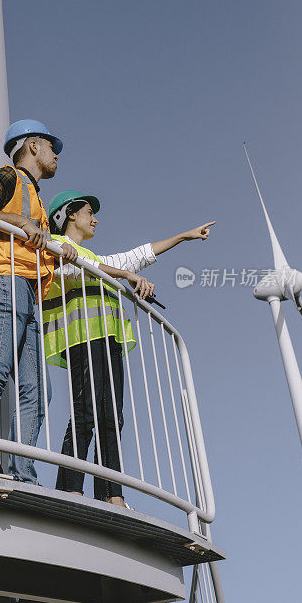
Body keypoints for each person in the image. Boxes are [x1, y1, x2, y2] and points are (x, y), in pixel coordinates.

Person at [43, 190, 215, 507]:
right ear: (70, 215)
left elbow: (141, 254)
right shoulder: (57, 250)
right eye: (88, 212)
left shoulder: (97, 260)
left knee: (112, 417)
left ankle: (112, 494)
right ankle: (70, 489)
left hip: (108, 342)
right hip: (81, 339)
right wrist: (125, 275)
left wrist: (184, 236)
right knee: (86, 413)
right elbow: (75, 267)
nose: (94, 218)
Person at [0, 121, 77, 482]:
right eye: (50, 146)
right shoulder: (7, 176)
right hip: (1, 279)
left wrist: (58, 253)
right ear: (31, 146)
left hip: (27, 290)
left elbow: (36, 241)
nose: (56, 154)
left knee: (38, 389)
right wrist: (16, 220)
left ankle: (22, 472)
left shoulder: (37, 198)